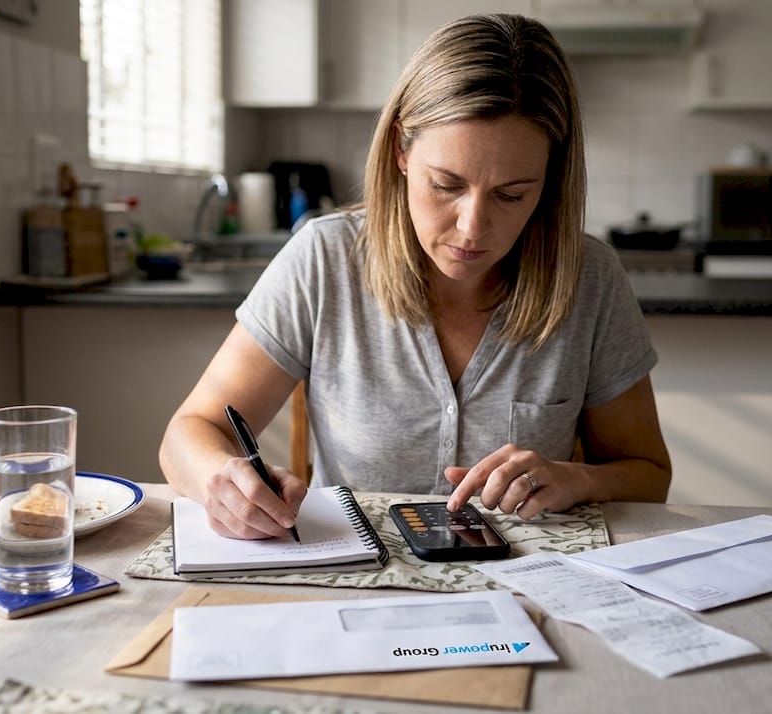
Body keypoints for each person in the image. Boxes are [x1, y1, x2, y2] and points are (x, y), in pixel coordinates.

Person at [159, 13, 671, 540]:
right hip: (356, 587)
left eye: (511, 195)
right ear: (402, 150)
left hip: (529, 588)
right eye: (446, 185)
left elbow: (649, 475)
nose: (472, 228)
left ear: (550, 181)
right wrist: (222, 482)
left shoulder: (590, 279)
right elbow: (188, 434)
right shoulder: (324, 258)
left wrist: (576, 479)